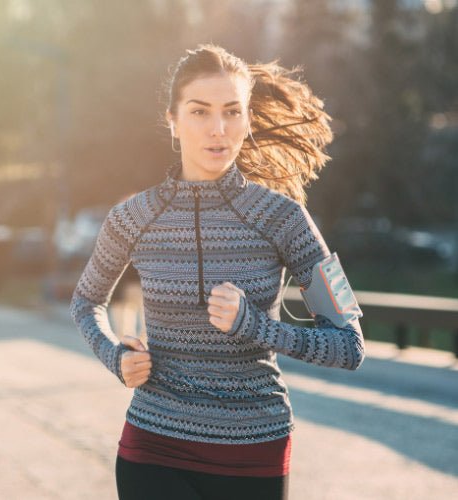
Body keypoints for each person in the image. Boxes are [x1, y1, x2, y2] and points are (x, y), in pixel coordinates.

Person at [70, 44, 365, 500]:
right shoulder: (132, 217)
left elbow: (350, 345)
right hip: (154, 443)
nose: (218, 129)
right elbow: (86, 301)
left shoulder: (287, 220)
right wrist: (116, 358)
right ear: (172, 120)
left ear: (247, 121)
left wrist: (258, 326)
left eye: (232, 112)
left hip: (253, 450)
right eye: (200, 112)